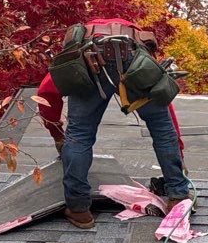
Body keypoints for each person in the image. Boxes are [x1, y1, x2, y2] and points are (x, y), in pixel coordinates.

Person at [37, 18, 190, 229]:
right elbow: (165, 116)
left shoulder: (77, 51)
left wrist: (57, 133)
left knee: (79, 134)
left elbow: (46, 93)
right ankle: (178, 198)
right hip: (132, 56)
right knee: (161, 128)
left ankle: (79, 209)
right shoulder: (140, 50)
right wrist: (178, 154)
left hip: (92, 58)